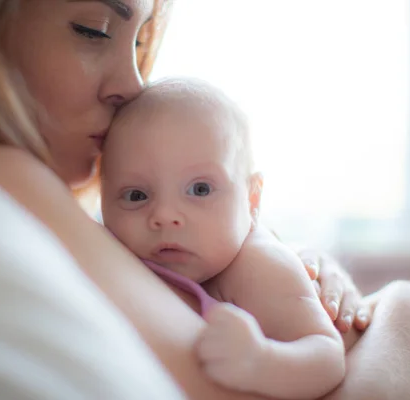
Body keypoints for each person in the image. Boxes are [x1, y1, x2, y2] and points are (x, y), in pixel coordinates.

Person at [0, 1, 410, 398]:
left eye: (139, 41)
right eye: (93, 28)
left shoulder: (72, 215)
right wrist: (409, 311)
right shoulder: (4, 178)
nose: (134, 84)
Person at [101, 77, 345, 399]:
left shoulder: (259, 265)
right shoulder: (113, 254)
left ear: (252, 199)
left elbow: (328, 357)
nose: (164, 215)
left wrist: (260, 362)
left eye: (200, 189)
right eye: (135, 195)